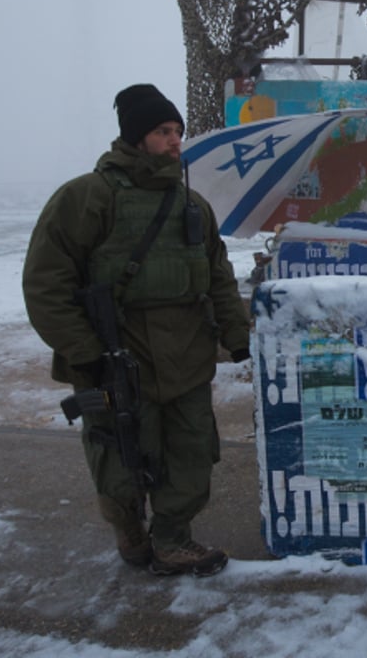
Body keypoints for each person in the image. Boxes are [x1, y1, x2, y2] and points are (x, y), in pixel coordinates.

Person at [23, 83, 251, 577]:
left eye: (177, 131)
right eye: (162, 131)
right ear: (135, 137)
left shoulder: (192, 206)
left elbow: (217, 277)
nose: (174, 141)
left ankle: (172, 540)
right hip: (118, 359)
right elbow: (45, 284)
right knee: (122, 458)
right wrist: (85, 351)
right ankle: (129, 531)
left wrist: (238, 335)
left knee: (190, 454)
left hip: (188, 357)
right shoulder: (86, 198)